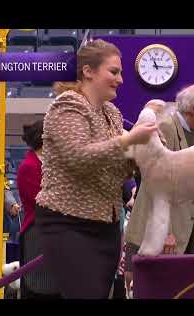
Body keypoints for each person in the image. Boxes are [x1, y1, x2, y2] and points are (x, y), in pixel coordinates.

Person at [34, 39, 156, 299]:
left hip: (107, 225)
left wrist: (143, 155)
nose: (121, 79)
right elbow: (78, 157)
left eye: (120, 73)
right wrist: (129, 140)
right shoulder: (68, 105)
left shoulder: (111, 112)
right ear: (88, 71)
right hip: (68, 223)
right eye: (114, 72)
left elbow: (116, 166)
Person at [124, 85, 194, 289]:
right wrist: (165, 233)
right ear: (193, 108)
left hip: (182, 233)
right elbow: (157, 185)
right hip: (158, 234)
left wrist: (193, 242)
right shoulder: (166, 127)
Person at [17, 120, 61, 299]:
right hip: (37, 233)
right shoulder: (29, 167)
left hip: (55, 232)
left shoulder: (52, 164)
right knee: (40, 288)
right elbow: (43, 202)